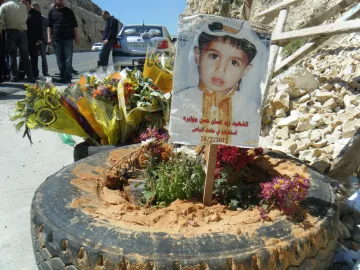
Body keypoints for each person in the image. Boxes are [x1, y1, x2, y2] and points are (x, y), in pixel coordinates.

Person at [169, 20, 268, 146]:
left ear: (245, 70)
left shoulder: (250, 110)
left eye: (234, 63)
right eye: (214, 56)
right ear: (198, 56)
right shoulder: (182, 102)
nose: (221, 70)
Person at [0, 0, 34, 82]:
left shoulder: (4, 6)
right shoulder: (23, 6)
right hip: (22, 32)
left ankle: (14, 77)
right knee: (25, 56)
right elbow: (25, 18)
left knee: (12, 56)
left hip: (10, 32)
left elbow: (0, 21)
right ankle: (30, 76)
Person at [48, 0, 80, 83]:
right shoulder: (51, 12)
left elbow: (74, 25)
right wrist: (49, 37)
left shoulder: (69, 11)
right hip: (56, 39)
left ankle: (68, 77)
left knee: (68, 59)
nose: (62, 1)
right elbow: (49, 26)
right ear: (55, 1)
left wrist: (77, 37)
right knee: (59, 59)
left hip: (68, 39)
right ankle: (63, 76)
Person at [21, 0, 42, 79]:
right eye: (21, 2)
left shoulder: (36, 13)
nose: (22, 3)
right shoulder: (19, 12)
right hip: (22, 38)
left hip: (33, 38)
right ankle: (21, 74)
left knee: (34, 56)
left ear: (29, 3)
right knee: (23, 57)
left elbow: (40, 26)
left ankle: (35, 73)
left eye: (24, 2)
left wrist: (39, 38)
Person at [32, 2, 49, 76]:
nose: (34, 10)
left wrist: (47, 38)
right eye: (33, 8)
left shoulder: (44, 18)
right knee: (34, 57)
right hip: (34, 40)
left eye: (36, 8)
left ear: (39, 9)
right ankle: (35, 73)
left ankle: (45, 72)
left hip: (42, 40)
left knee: (43, 57)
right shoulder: (30, 17)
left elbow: (48, 28)